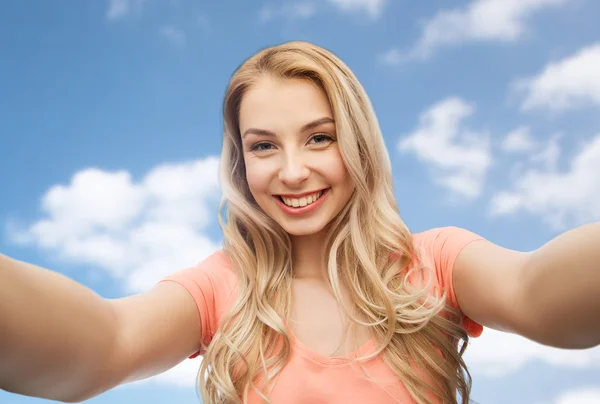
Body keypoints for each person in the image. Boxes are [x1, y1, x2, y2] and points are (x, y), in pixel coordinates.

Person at [1, 41, 599, 404]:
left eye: (319, 138)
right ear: (241, 161)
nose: (292, 171)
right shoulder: (222, 289)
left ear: (359, 143)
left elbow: (537, 295)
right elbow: (102, 343)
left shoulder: (435, 262)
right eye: (263, 147)